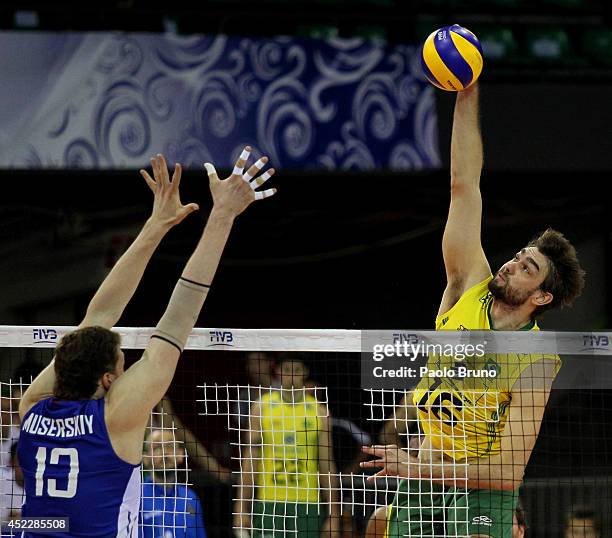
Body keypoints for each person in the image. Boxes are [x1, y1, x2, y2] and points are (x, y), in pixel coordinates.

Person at [361, 83, 585, 537]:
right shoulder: (468, 286)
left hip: (480, 484)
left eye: (528, 268)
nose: (512, 264)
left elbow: (506, 472)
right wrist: (466, 92)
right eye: (518, 256)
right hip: (425, 465)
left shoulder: (537, 362)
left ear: (542, 297)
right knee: (377, 525)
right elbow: (464, 185)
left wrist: (416, 469)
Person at [16, 148, 276, 536]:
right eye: (122, 361)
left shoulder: (32, 408)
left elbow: (98, 318)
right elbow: (179, 314)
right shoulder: (116, 417)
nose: (126, 365)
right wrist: (221, 216)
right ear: (107, 380)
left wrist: (156, 224)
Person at [234, 355, 341, 537]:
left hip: (307, 504)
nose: (291, 376)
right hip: (269, 502)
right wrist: (240, 507)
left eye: (297, 371)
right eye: (287, 370)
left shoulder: (320, 412)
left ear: (305, 373)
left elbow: (327, 465)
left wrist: (334, 516)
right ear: (277, 372)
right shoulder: (261, 408)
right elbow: (250, 461)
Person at [140, 429, 206, 538]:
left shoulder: (190, 497)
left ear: (180, 455)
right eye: (156, 448)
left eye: (170, 446)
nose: (164, 452)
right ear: (145, 459)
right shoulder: (136, 497)